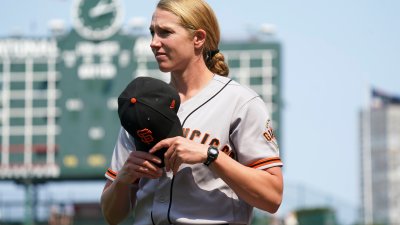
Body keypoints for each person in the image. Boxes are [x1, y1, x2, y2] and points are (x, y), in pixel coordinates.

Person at [101, 0, 284, 224]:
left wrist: (211, 155)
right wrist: (123, 180)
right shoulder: (142, 103)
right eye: (152, 32)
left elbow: (272, 197)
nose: (153, 42)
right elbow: (111, 215)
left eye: (165, 32)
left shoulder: (240, 101)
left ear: (198, 38)